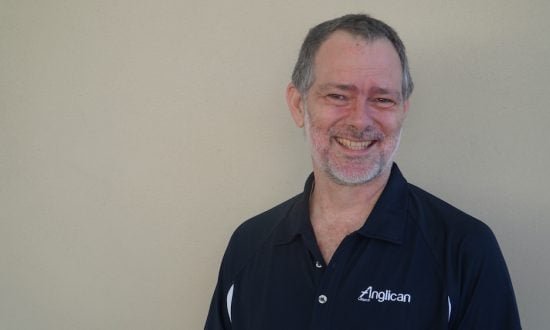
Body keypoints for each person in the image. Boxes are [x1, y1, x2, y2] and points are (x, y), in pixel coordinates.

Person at [205, 14, 521, 329]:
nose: (360, 121)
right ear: (298, 104)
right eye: (338, 96)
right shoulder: (249, 244)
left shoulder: (464, 249)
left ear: (403, 110)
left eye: (382, 99)